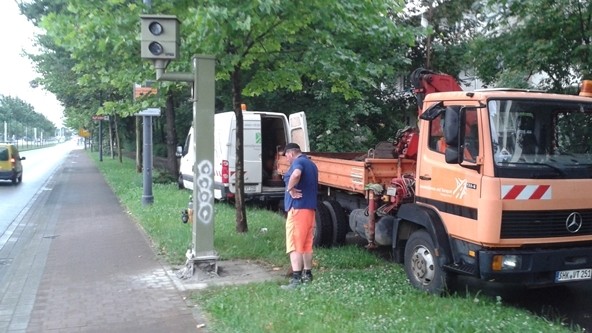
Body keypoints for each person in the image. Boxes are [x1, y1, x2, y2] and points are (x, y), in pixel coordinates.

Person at [281, 143, 318, 289]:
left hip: (298, 209)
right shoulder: (311, 164)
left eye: (286, 157)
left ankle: (296, 279)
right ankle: (307, 274)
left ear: (290, 154)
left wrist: (290, 189)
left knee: (295, 243)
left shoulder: (299, 162)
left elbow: (296, 174)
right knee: (306, 244)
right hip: (309, 210)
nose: (287, 160)